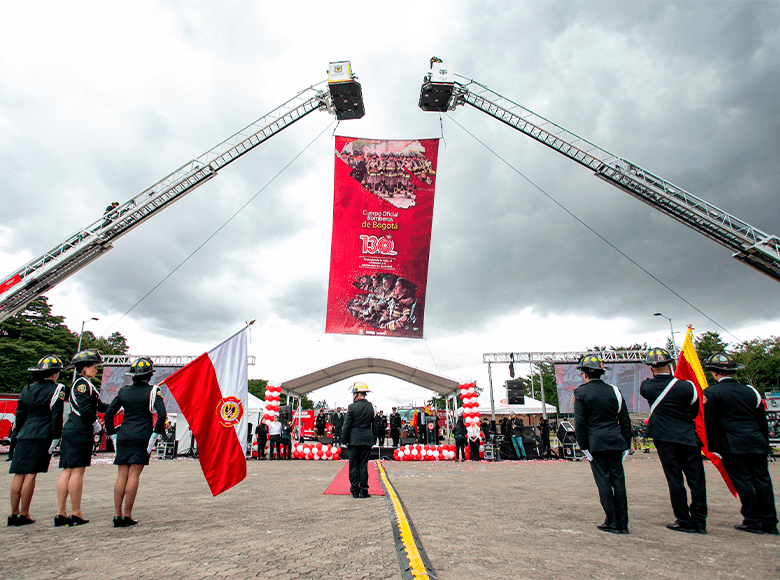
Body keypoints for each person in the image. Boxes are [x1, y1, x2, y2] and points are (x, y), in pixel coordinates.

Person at [703, 352, 778, 535]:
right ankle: (769, 521)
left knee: (743, 482)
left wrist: (714, 448)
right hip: (756, 442)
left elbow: (711, 423)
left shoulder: (711, 393)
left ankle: (752, 519)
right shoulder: (751, 391)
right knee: (763, 481)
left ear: (714, 373)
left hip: (731, 444)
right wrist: (764, 443)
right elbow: (762, 419)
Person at [640, 348, 707, 534]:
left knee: (675, 480)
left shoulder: (647, 387)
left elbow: (649, 392)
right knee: (697, 481)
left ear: (651, 368)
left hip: (665, 439)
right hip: (688, 437)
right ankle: (700, 520)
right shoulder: (688, 387)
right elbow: (694, 411)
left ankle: (683, 518)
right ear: (670, 364)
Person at [104, 357, 166, 527]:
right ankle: (128, 514)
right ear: (149, 376)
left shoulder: (123, 391)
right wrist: (154, 435)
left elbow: (109, 414)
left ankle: (117, 515)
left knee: (121, 475)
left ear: (132, 376)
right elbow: (161, 414)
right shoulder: (153, 391)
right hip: (142, 437)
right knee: (133, 475)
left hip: (124, 435)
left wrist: (113, 435)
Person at [573, 353, 632, 534]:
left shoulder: (580, 392)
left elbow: (580, 423)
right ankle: (623, 522)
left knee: (603, 482)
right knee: (618, 481)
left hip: (595, 443)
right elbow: (625, 420)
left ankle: (611, 521)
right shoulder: (615, 391)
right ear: (601, 373)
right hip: (616, 441)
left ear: (584, 374)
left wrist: (583, 446)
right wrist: (626, 443)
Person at [8, 355, 66, 526]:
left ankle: (13, 513)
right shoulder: (57, 389)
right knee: (31, 474)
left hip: (24, 433)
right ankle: (24, 513)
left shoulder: (27, 389)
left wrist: (16, 436)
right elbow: (56, 415)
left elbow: (20, 415)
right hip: (42, 434)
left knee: (19, 473)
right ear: (54, 373)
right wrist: (57, 437)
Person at [55, 350, 108, 527]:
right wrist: (96, 424)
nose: (96, 370)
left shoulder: (84, 384)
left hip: (73, 429)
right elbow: (86, 409)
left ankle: (61, 513)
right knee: (77, 471)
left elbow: (99, 405)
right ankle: (75, 512)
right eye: (93, 367)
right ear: (84, 369)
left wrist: (117, 405)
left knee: (67, 470)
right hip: (80, 429)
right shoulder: (82, 385)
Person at [342, 382, 375, 498]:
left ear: (357, 394)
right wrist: (373, 439)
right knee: (363, 465)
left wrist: (344, 440)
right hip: (367, 439)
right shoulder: (372, 407)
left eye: (353, 393)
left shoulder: (352, 407)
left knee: (354, 465)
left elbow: (347, 425)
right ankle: (364, 490)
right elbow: (374, 425)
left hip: (354, 439)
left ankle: (355, 490)